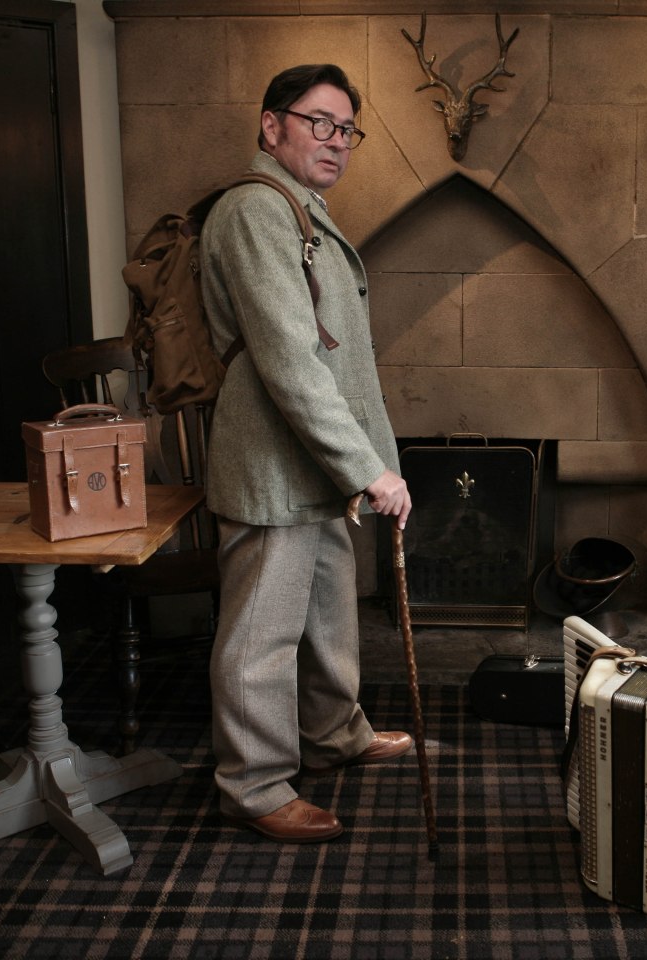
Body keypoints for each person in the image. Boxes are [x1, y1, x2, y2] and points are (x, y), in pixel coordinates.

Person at [200, 64, 413, 844]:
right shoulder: (256, 209)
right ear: (272, 126)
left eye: (347, 128)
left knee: (326, 613)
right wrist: (367, 468)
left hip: (313, 462)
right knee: (262, 635)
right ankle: (253, 784)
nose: (337, 140)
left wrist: (361, 461)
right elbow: (291, 361)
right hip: (271, 464)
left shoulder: (300, 207)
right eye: (319, 122)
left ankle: (332, 735)